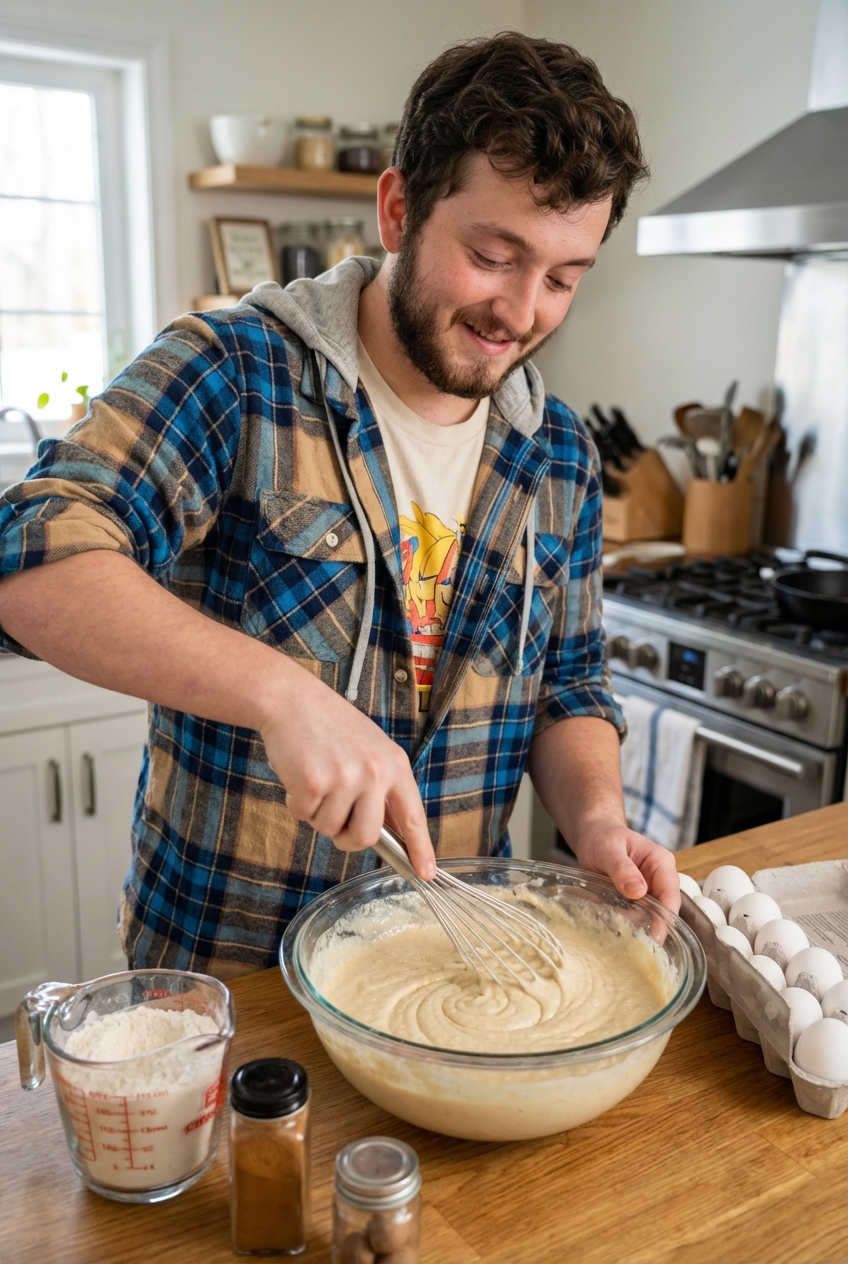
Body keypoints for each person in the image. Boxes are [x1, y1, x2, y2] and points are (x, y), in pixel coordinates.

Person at [0, 32, 680, 979]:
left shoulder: (557, 452)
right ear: (399, 211)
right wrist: (282, 696)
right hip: (232, 984)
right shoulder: (236, 371)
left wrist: (599, 821)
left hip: (445, 971)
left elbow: (568, 683)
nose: (522, 312)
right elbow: (28, 558)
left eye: (564, 278)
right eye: (494, 255)